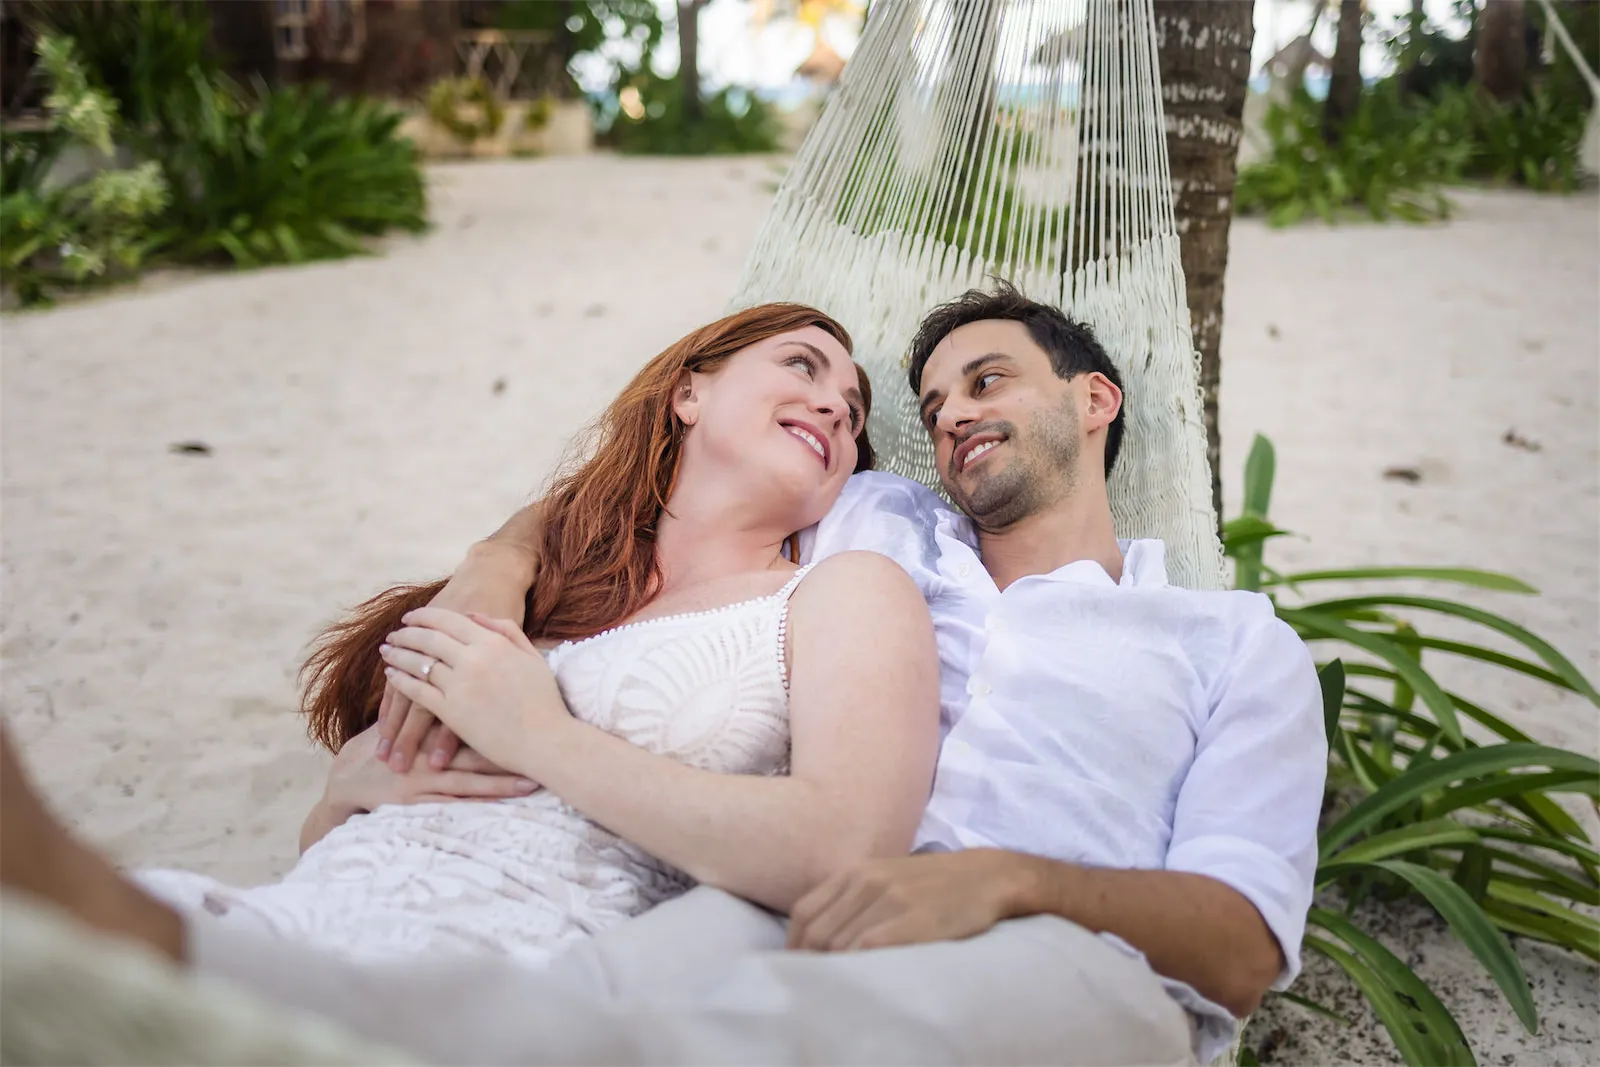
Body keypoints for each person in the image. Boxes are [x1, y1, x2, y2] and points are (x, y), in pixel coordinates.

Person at [0, 284, 1326, 1066]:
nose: (952, 410)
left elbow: (1247, 946)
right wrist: (490, 567)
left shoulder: (1231, 640)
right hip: (789, 904)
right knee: (573, 1007)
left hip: (1052, 942)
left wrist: (1009, 876)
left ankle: (148, 953)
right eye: (929, 400)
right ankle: (165, 953)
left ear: (1094, 401)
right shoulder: (876, 516)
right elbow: (644, 503)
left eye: (990, 377)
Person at [130, 302, 942, 968]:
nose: (839, 404)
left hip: (499, 972)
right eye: (803, 364)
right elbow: (368, 831)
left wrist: (537, 733)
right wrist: (337, 803)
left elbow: (847, 848)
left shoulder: (845, 592)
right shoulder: (543, 584)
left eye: (855, 411)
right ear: (688, 392)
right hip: (304, 915)